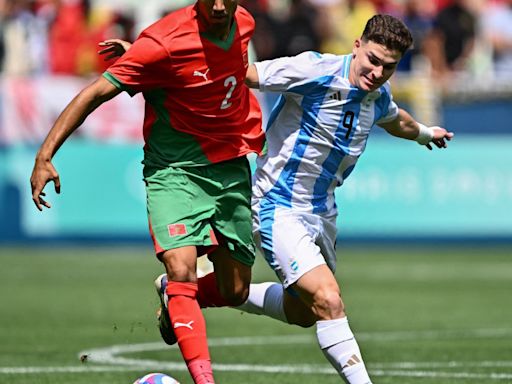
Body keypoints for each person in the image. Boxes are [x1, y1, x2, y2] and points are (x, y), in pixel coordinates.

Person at [99, 14, 453, 384]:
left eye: (389, 67)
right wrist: (153, 64)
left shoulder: (377, 96)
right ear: (357, 46)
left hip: (321, 213)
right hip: (277, 205)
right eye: (373, 61)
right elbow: (241, 73)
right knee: (329, 300)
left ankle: (186, 294)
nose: (378, 72)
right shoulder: (314, 71)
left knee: (304, 311)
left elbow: (397, 120)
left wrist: (427, 134)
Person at [30, 1, 265, 384]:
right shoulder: (165, 40)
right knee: (181, 269)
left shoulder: (244, 23)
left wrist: (146, 61)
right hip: (174, 170)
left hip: (230, 168)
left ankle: (172, 299)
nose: (220, 5)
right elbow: (93, 94)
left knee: (235, 290)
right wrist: (45, 154)